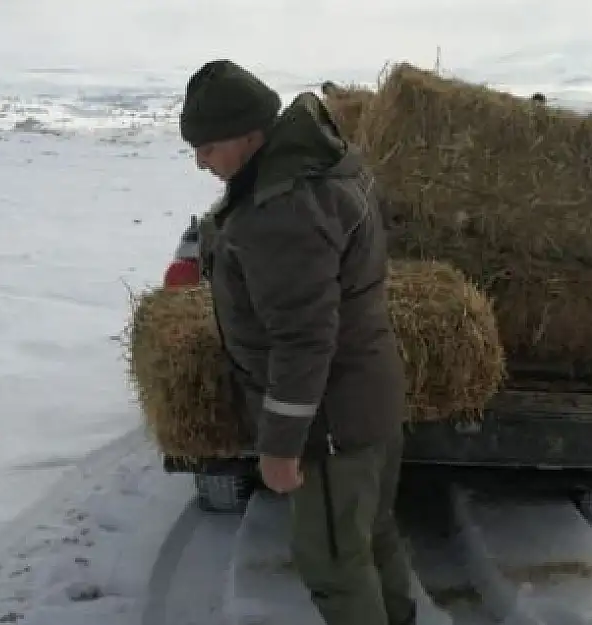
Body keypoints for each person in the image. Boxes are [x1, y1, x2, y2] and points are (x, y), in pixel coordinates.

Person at [179, 59, 417, 625]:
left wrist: (282, 445)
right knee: (370, 534)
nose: (200, 161)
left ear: (249, 133)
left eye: (208, 146)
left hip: (331, 422)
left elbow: (304, 339)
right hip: (369, 397)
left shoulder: (281, 210)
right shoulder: (322, 163)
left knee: (334, 562)